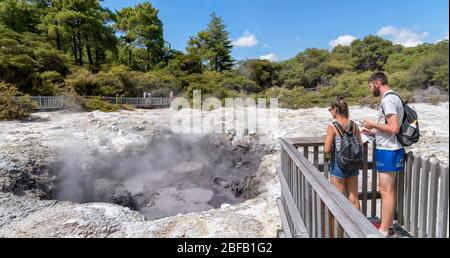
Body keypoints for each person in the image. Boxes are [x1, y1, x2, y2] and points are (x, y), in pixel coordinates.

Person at [362, 72, 405, 238]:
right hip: (391, 147)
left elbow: (394, 128)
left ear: (377, 83)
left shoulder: (387, 100)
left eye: (370, 85)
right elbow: (390, 130)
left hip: (388, 150)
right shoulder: (394, 97)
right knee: (389, 190)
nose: (370, 88)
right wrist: (373, 133)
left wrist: (372, 124)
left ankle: (384, 230)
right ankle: (389, 227)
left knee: (386, 191)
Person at [324, 97, 362, 210]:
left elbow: (327, 149)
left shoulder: (333, 126)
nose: (330, 111)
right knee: (354, 198)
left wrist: (328, 158)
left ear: (335, 109)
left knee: (339, 199)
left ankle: (340, 228)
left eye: (330, 109)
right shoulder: (355, 125)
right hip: (353, 164)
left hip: (338, 164)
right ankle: (358, 226)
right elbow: (359, 144)